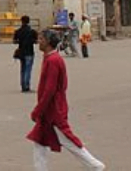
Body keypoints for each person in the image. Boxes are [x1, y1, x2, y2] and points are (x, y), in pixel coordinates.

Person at [27, 29, 105, 170]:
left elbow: (50, 89)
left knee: (67, 140)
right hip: (50, 108)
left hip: (53, 109)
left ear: (49, 42)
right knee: (39, 142)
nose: (38, 42)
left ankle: (95, 165)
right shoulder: (50, 58)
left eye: (41, 39)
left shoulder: (53, 60)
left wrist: (38, 110)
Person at [13, 15, 38, 92]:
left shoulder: (18, 31)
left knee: (23, 70)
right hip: (29, 52)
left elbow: (14, 41)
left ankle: (23, 86)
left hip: (21, 52)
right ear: (29, 21)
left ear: (21, 21)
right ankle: (27, 86)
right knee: (28, 70)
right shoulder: (32, 31)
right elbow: (35, 41)